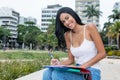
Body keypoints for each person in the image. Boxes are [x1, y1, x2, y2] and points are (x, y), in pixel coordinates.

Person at [43, 7, 106, 80]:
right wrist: (58, 64)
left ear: (73, 15)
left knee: (58, 74)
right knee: (47, 72)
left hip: (92, 71)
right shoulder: (67, 35)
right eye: (63, 22)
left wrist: (82, 67)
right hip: (78, 70)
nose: (66, 22)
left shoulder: (89, 28)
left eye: (67, 18)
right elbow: (70, 60)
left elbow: (102, 53)